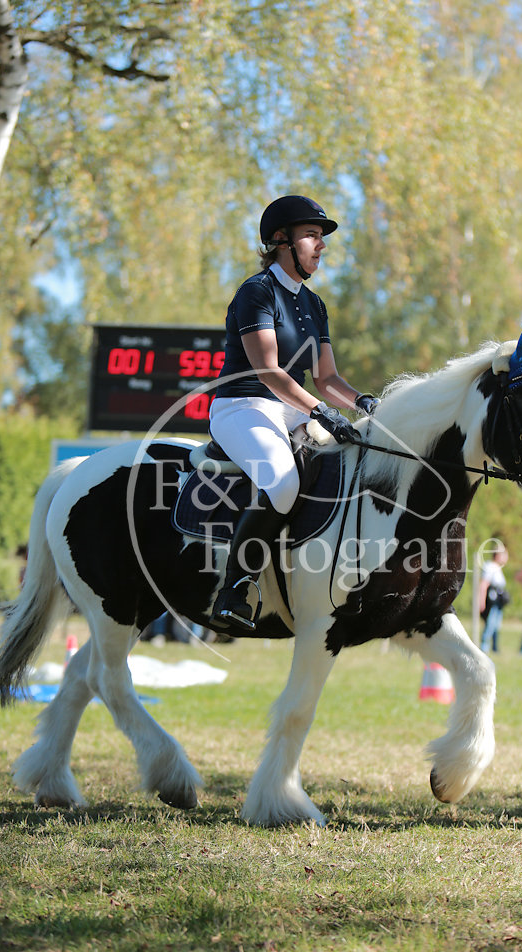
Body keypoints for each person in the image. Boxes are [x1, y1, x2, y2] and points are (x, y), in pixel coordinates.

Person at [208, 195, 379, 630]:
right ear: (281, 241)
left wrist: (363, 402)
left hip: (292, 408)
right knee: (283, 483)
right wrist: (320, 412)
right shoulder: (256, 291)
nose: (321, 246)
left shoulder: (315, 304)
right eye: (312, 236)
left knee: (353, 461)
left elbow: (326, 379)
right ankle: (236, 588)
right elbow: (268, 371)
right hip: (242, 406)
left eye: (321, 238)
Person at [478, 541, 509, 654]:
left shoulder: (497, 567)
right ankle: (484, 646)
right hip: (492, 600)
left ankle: (495, 647)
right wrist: (481, 601)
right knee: (490, 624)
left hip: (498, 601)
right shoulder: (490, 566)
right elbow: (483, 585)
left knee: (496, 625)